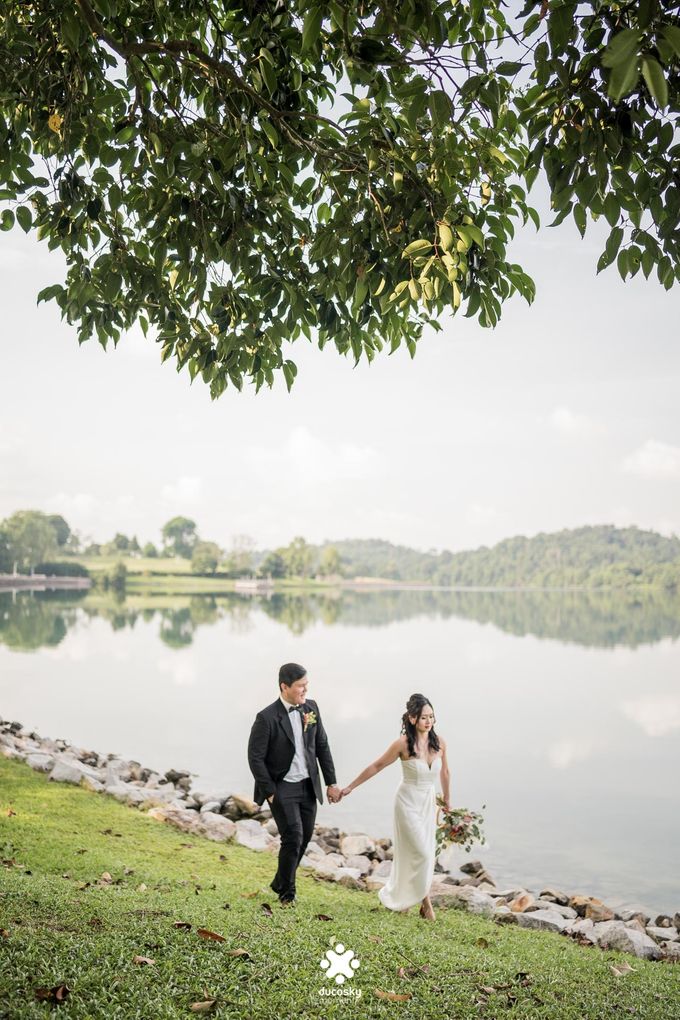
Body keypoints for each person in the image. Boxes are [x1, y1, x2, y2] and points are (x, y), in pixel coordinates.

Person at [340, 693, 450, 921]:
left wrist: (447, 802)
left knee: (420, 852)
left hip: (428, 803)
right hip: (407, 802)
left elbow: (445, 772)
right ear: (412, 718)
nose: (428, 721)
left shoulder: (439, 742)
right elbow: (377, 765)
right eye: (423, 717)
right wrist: (350, 787)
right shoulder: (402, 744)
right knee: (422, 852)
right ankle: (426, 903)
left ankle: (410, 899)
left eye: (431, 717)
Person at [247, 662, 342, 906]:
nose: (305, 690)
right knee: (293, 837)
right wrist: (269, 792)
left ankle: (280, 880)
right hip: (282, 788)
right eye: (301, 686)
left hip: (308, 785)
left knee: (306, 836)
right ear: (284, 686)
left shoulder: (311, 709)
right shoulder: (266, 718)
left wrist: (331, 782)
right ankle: (287, 894)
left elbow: (322, 745)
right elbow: (255, 757)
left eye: (306, 685)